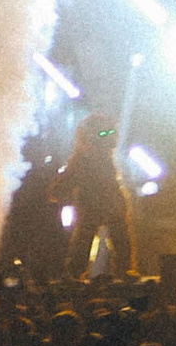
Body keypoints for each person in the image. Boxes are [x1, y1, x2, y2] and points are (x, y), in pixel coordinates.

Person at [55, 112, 133, 278]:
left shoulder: (98, 144)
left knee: (117, 235)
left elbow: (111, 136)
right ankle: (76, 272)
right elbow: (70, 177)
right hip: (93, 198)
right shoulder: (83, 156)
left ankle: (122, 270)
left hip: (105, 197)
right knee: (86, 236)